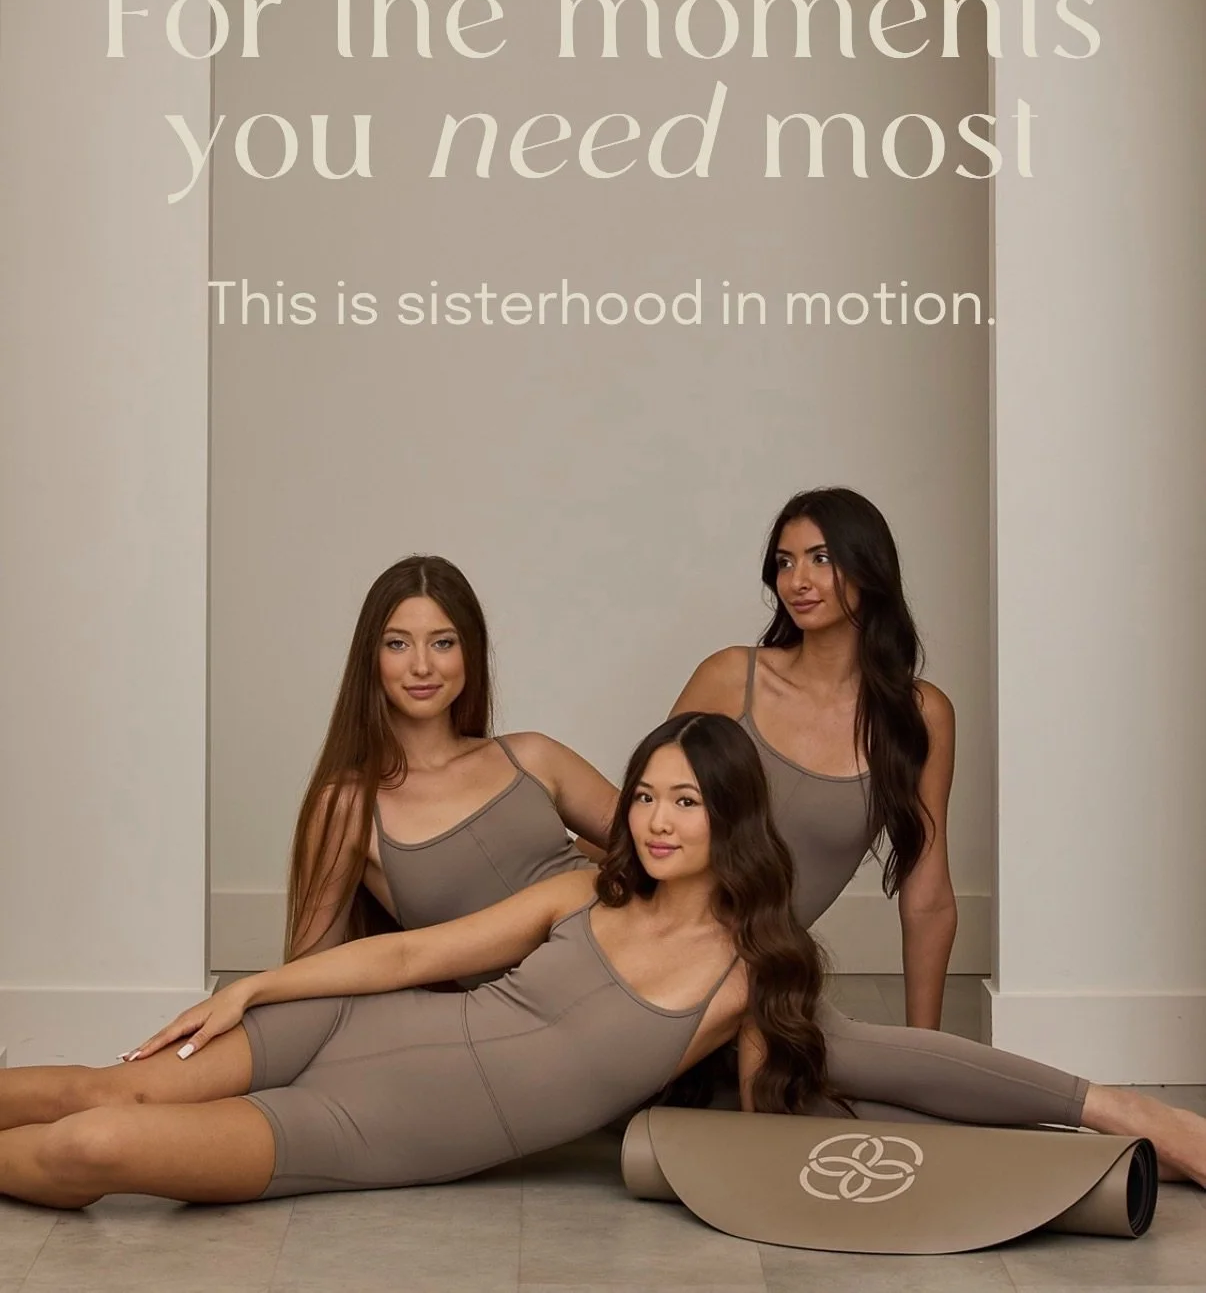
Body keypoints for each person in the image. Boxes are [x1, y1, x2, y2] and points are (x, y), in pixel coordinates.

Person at [1, 715, 1201, 1209]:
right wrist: (260, 983)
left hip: (360, 1137)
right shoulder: (582, 887)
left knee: (98, 1148)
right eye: (644, 794)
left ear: (734, 817)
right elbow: (412, 951)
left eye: (687, 799)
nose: (658, 818)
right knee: (90, 1086)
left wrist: (1107, 1104)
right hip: (344, 1033)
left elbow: (897, 1060)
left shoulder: (747, 980)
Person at [672, 487, 957, 1029]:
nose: (797, 581)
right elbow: (641, 813)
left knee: (913, 1078)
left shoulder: (921, 716)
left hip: (757, 970)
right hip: (667, 940)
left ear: (869, 569)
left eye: (821, 559)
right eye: (785, 562)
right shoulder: (732, 678)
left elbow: (929, 897)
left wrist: (924, 1042)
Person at [283, 554, 617, 962]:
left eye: (443, 642)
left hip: (631, 944)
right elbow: (308, 968)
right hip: (529, 1007)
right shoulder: (348, 806)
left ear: (469, 652)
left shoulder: (532, 756)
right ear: (371, 657)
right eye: (398, 644)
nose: (422, 666)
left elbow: (662, 839)